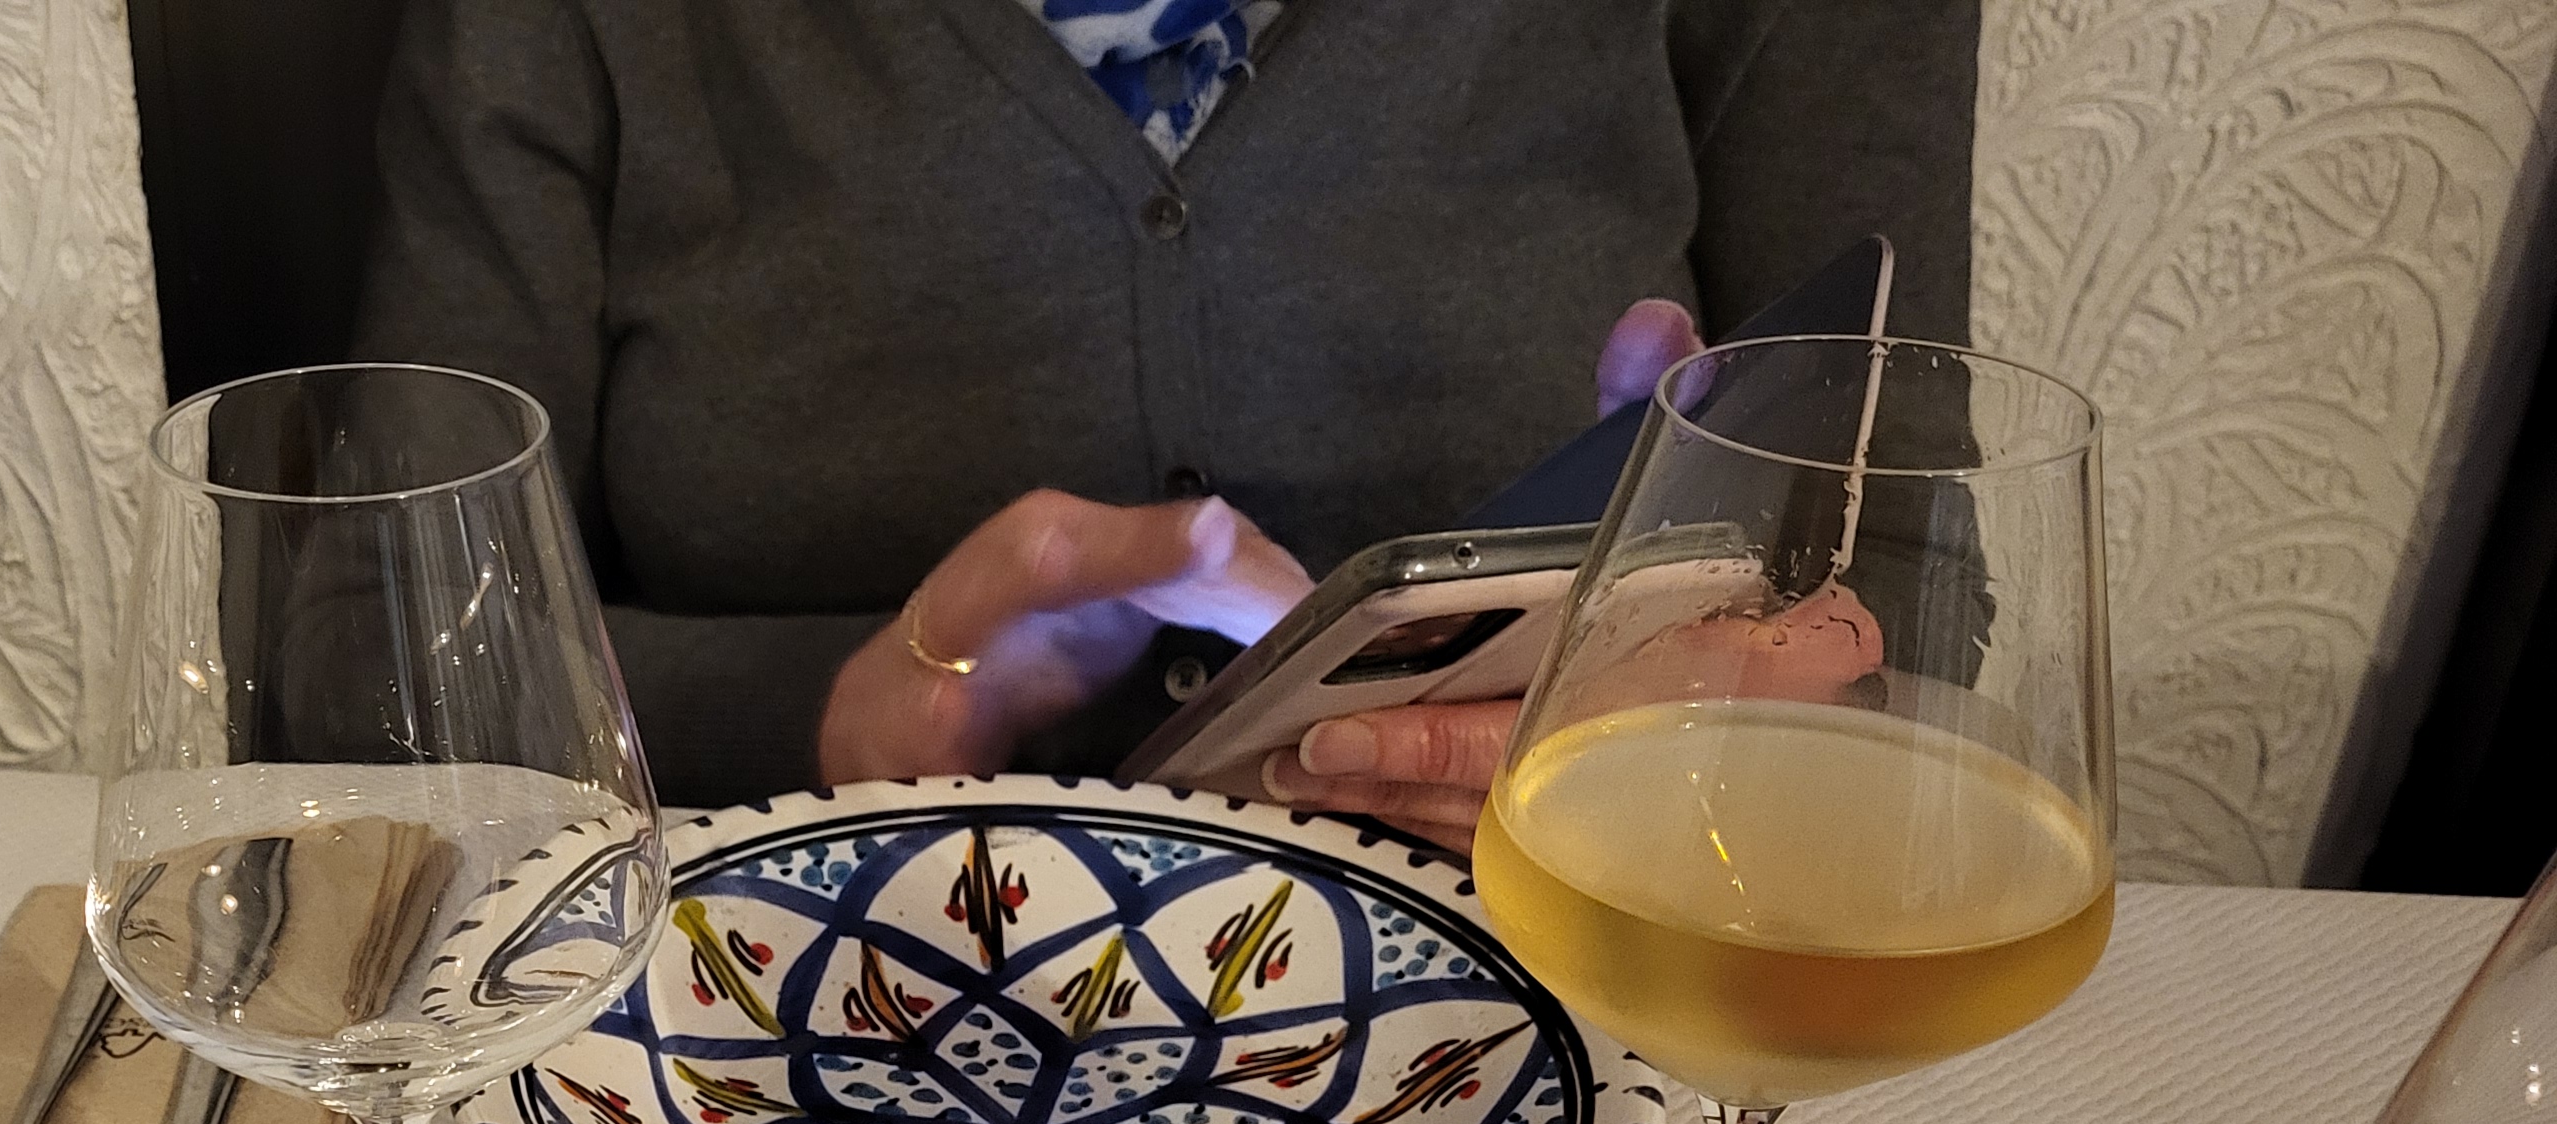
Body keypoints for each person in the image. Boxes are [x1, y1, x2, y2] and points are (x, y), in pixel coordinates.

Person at [351, 0, 1977, 842]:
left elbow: (1907, 574)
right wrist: (829, 714)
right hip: (775, 1021)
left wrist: (1728, 701)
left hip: (1581, 1001)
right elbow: (371, 642)